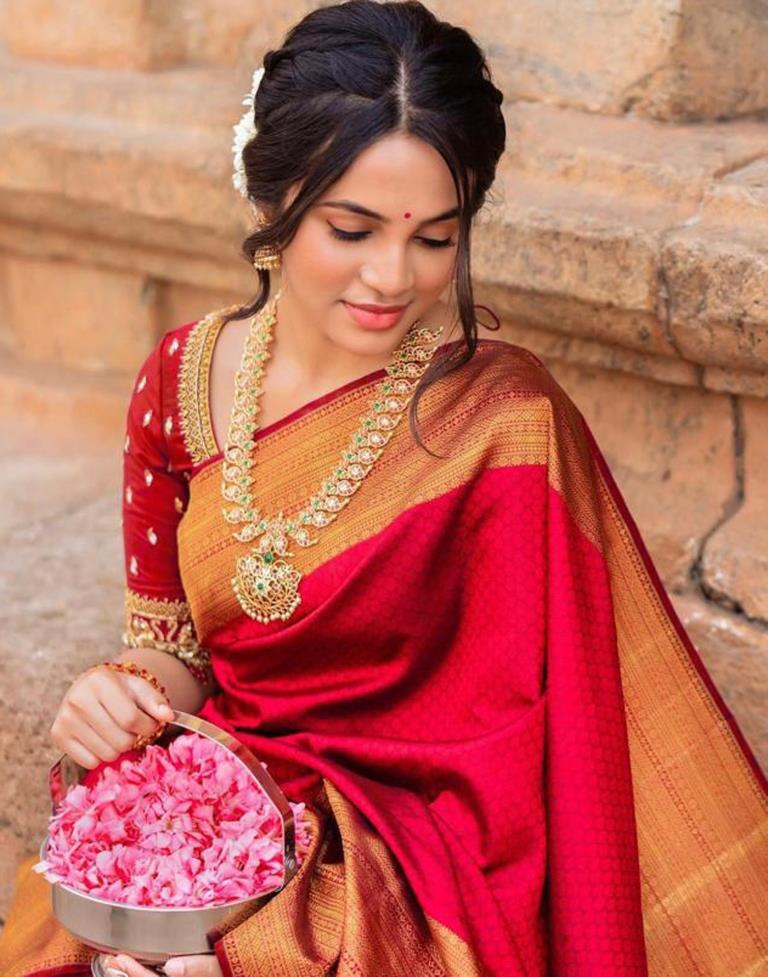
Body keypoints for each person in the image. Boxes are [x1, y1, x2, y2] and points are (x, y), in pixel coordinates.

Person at [1, 2, 766, 975]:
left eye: (436, 238)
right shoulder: (179, 384)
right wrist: (121, 696)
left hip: (427, 856)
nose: (391, 276)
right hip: (232, 813)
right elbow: (171, 649)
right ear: (270, 200)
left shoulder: (502, 420)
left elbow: (516, 748)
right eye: (352, 228)